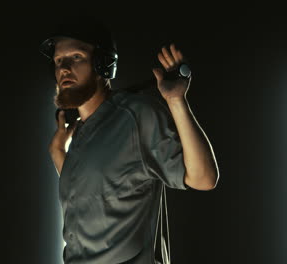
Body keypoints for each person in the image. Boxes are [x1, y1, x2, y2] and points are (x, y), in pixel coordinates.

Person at [41, 16, 219, 264]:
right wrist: (58, 152)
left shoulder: (136, 117)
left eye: (76, 57)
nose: (64, 68)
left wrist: (177, 101)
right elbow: (93, 194)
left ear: (104, 63)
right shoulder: (80, 132)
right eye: (59, 60)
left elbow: (204, 178)